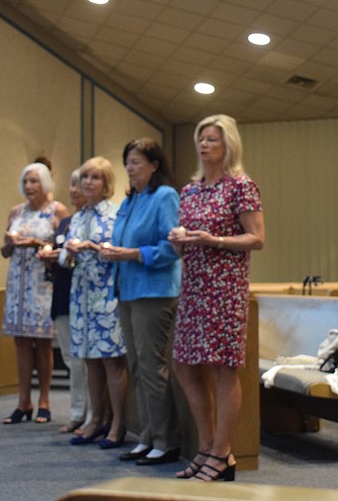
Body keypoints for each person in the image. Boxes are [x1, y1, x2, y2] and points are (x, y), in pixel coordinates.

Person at [169, 114, 265, 482]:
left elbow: (256, 238)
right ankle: (207, 447)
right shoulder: (190, 191)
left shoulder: (241, 186)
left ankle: (223, 453)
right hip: (193, 287)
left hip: (225, 288)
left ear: (228, 145)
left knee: (223, 369)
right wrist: (179, 241)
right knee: (184, 365)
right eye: (201, 138)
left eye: (212, 139)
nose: (204, 144)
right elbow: (185, 242)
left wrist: (215, 240)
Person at [101, 138, 184, 466]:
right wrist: (111, 251)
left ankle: (166, 441)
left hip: (154, 292)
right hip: (128, 290)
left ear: (154, 165)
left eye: (136, 162)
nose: (130, 168)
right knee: (136, 366)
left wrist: (135, 254)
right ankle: (147, 436)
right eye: (127, 162)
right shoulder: (131, 199)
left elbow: (173, 247)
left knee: (152, 366)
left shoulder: (165, 196)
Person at [64, 157, 127, 449]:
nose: (88, 182)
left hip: (107, 293)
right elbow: (65, 258)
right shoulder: (78, 217)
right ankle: (96, 418)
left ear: (106, 183)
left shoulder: (115, 214)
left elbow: (120, 250)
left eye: (95, 177)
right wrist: (68, 254)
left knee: (111, 360)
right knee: (90, 359)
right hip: (81, 296)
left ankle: (118, 423)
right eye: (85, 177)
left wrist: (93, 247)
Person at [0, 162, 69, 424]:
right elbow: (5, 251)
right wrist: (9, 244)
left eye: (34, 181)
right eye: (26, 181)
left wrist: (37, 243)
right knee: (21, 341)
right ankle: (23, 401)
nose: (29, 186)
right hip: (18, 283)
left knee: (42, 342)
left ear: (45, 183)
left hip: (42, 282)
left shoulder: (56, 210)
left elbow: (63, 246)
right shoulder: (16, 212)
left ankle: (45, 401)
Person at [38, 169, 90, 434]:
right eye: (71, 184)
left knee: (85, 360)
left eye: (78, 184)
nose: (73, 190)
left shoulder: (94, 222)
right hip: (61, 295)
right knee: (70, 358)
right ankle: (77, 413)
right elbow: (62, 259)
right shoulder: (65, 223)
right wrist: (50, 259)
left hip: (83, 296)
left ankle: (90, 415)